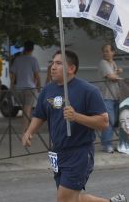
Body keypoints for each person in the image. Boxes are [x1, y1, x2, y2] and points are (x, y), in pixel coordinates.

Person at [22, 50, 126, 202]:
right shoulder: (48, 90)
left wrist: (76, 116)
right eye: (52, 62)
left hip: (79, 153)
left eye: (58, 63)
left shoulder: (88, 90)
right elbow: (40, 114)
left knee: (64, 198)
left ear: (71, 69)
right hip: (58, 153)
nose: (53, 67)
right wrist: (29, 132)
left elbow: (104, 123)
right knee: (72, 198)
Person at [10, 40, 41, 132]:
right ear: (32, 49)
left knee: (24, 110)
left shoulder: (17, 59)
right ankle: (25, 131)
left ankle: (25, 129)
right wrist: (39, 86)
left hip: (19, 88)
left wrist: (11, 87)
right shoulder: (33, 60)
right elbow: (37, 75)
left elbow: (13, 76)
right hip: (29, 88)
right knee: (27, 110)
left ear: (24, 48)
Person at [98, 44, 123, 153]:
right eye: (104, 51)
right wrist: (118, 73)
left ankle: (115, 143)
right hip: (107, 96)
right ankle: (106, 144)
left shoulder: (112, 63)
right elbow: (111, 77)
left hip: (116, 96)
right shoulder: (103, 63)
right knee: (109, 120)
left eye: (108, 51)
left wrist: (117, 73)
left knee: (116, 121)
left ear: (113, 52)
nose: (105, 53)